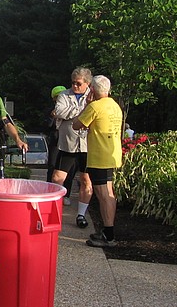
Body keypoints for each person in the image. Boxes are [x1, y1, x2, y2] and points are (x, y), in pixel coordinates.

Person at [73, 75, 123, 247]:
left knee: (103, 195)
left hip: (99, 156)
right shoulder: (115, 106)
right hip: (112, 153)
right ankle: (107, 231)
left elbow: (76, 124)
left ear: (92, 90)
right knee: (108, 192)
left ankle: (109, 235)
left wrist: (87, 104)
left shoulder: (94, 107)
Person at [51, 67, 94, 229]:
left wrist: (74, 113)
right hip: (68, 144)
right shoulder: (64, 95)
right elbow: (59, 112)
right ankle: (54, 212)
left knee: (86, 180)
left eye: (79, 83)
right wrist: (83, 110)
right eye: (73, 83)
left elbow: (94, 114)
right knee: (57, 178)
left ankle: (81, 214)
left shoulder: (94, 97)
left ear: (87, 84)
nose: (75, 86)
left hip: (87, 146)